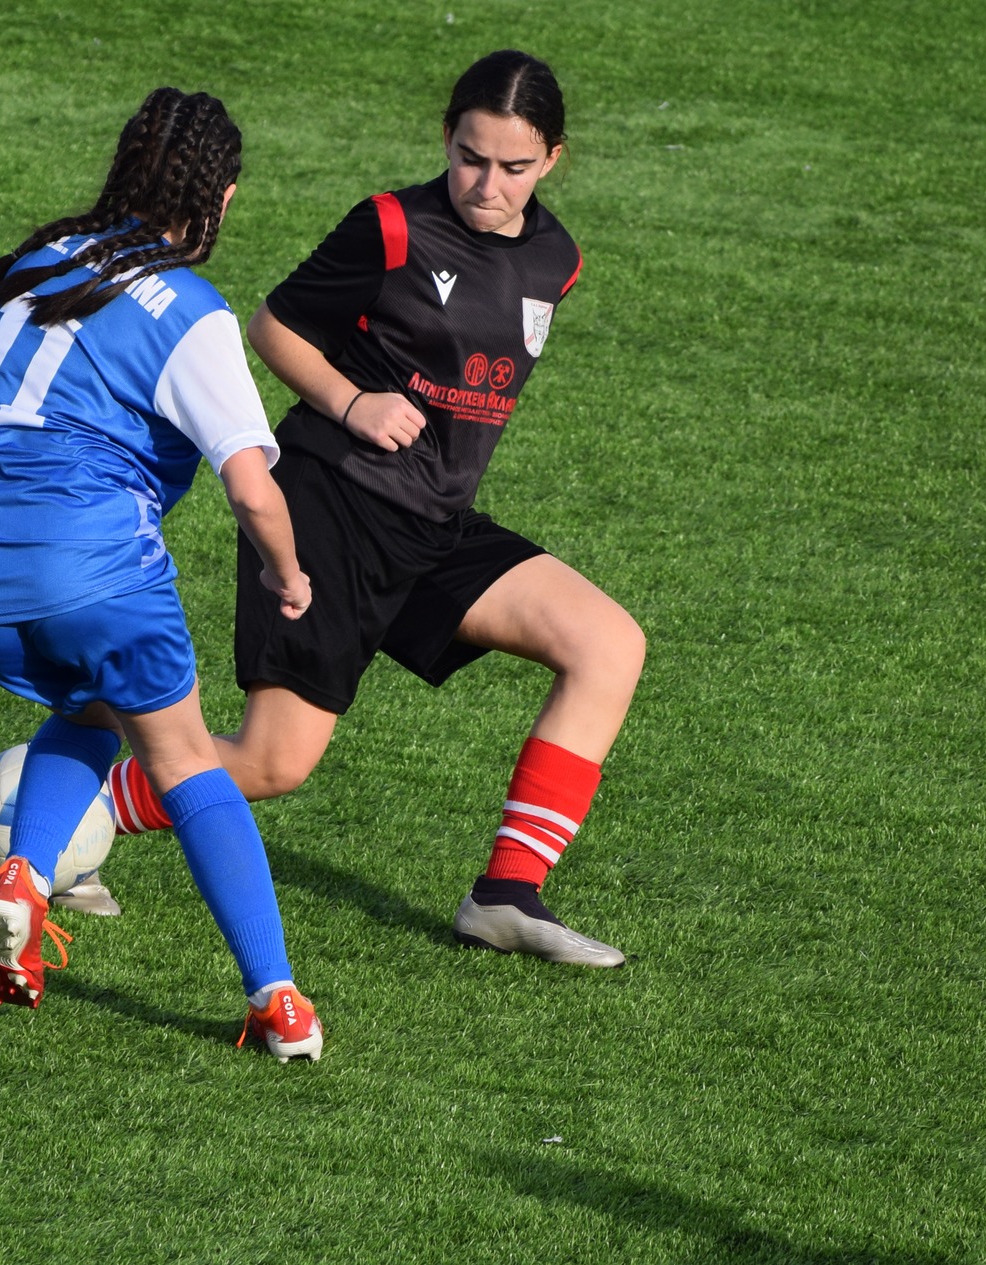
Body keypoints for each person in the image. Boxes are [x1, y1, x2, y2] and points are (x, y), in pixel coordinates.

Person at [102, 52, 645, 968]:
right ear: (446, 138)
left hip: (433, 526)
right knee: (273, 762)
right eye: (470, 157)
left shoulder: (558, 260)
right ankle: (64, 809)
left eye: (514, 167)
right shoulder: (392, 226)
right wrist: (352, 402)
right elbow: (274, 326)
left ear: (554, 159)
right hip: (331, 508)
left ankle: (505, 895)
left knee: (608, 644)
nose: (487, 184)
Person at [0, 88, 323, 1060]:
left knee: (94, 704)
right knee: (185, 759)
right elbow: (251, 487)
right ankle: (276, 997)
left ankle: (22, 874)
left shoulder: (35, 264)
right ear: (221, 197)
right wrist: (290, 572)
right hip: (87, 570)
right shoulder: (192, 314)